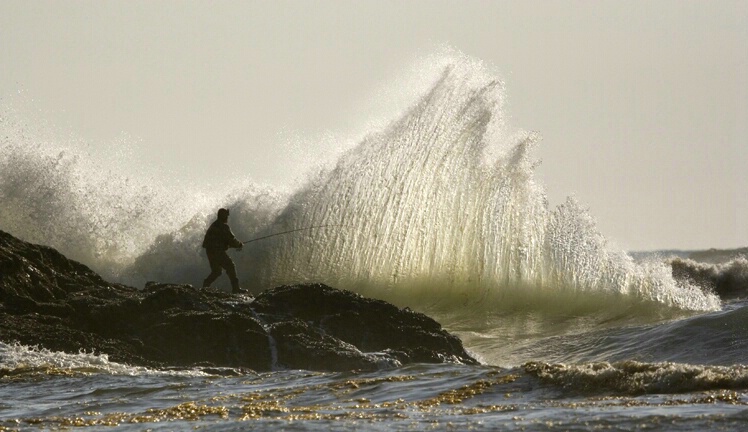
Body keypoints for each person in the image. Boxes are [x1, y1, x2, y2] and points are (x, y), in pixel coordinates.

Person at [202, 208, 246, 293]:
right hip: (217, 251)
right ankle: (236, 289)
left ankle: (205, 285)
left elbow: (219, 240)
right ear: (224, 216)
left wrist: (225, 245)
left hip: (209, 251)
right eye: (227, 216)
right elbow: (231, 240)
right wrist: (239, 244)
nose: (227, 218)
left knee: (217, 271)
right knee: (230, 266)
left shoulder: (214, 225)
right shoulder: (224, 226)